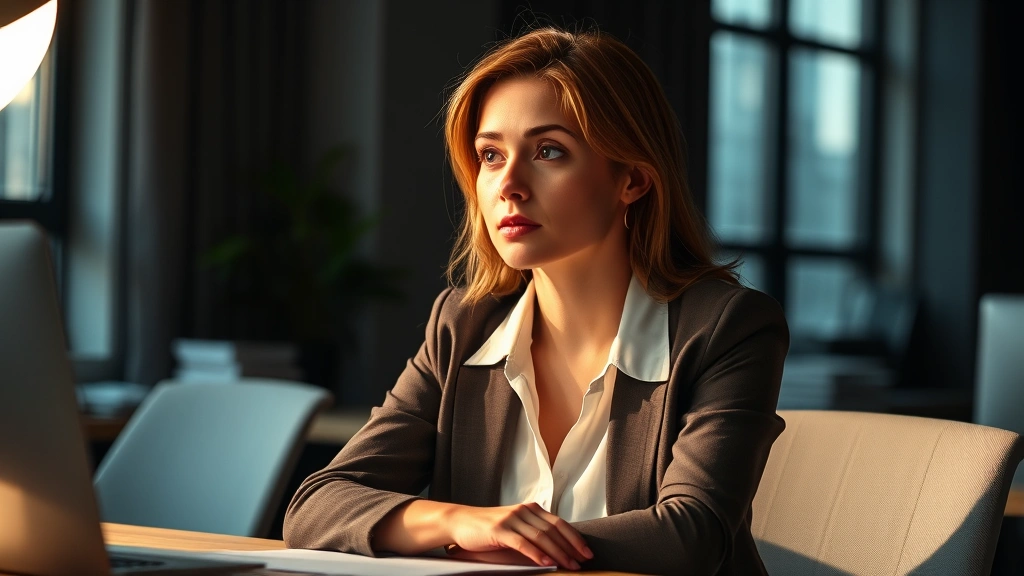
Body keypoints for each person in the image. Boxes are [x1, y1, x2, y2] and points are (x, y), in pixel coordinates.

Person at [283, 26, 789, 576]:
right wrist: (461, 524)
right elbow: (318, 504)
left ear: (634, 180)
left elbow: (691, 535)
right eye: (491, 155)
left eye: (549, 151)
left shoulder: (726, 328)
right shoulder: (462, 325)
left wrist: (501, 547)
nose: (510, 185)